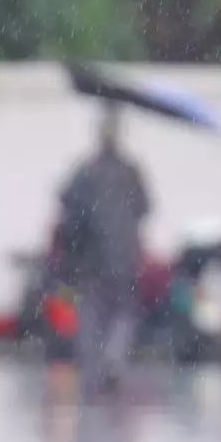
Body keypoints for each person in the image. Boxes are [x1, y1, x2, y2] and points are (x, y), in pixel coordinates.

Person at [55, 104, 150, 396]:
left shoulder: (86, 172)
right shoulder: (130, 172)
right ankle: (112, 361)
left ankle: (95, 366)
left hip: (92, 257)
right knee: (122, 312)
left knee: (92, 313)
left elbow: (69, 209)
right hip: (123, 257)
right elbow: (145, 208)